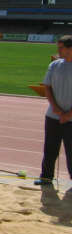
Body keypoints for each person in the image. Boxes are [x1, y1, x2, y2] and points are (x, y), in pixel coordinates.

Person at [35, 35, 72, 186]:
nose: (58, 50)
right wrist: (56, 109)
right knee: (50, 149)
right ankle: (46, 177)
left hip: (70, 118)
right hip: (52, 116)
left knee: (71, 152)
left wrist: (68, 114)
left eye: (61, 47)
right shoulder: (55, 65)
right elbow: (47, 88)